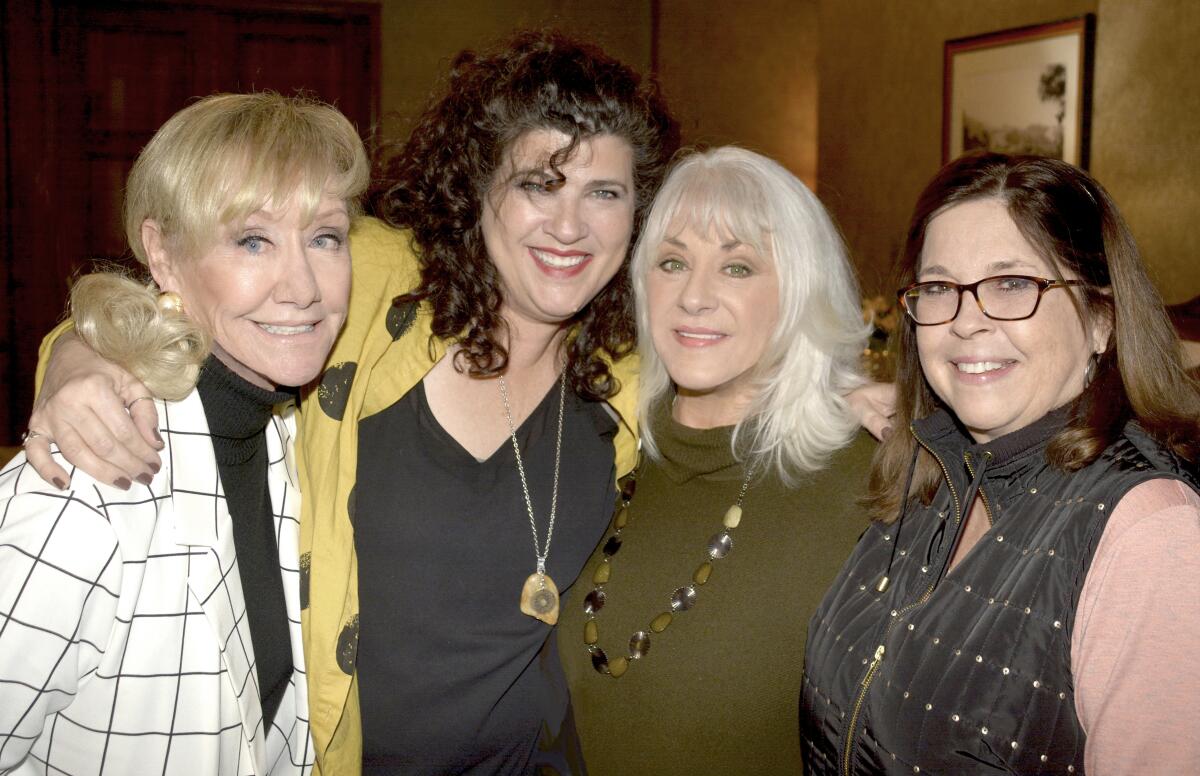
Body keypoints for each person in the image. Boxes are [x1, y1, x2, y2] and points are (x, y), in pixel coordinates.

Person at [26, 32, 679, 775]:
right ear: (478, 184)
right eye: (538, 184)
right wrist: (74, 362)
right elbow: (184, 302)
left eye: (604, 192)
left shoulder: (635, 369)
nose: (570, 227)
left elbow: (764, 385)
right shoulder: (377, 278)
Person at [0, 92, 369, 774]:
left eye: (324, 237)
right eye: (252, 240)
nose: (304, 286)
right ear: (164, 256)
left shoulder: (290, 447)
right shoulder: (84, 481)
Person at [800, 153, 1200, 774]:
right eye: (938, 289)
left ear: (1101, 318)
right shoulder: (930, 476)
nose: (965, 322)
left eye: (1013, 284)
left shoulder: (1151, 532)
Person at [556, 147, 874, 773]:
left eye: (737, 267)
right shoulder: (600, 449)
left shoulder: (867, 487)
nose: (694, 297)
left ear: (799, 291)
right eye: (672, 262)